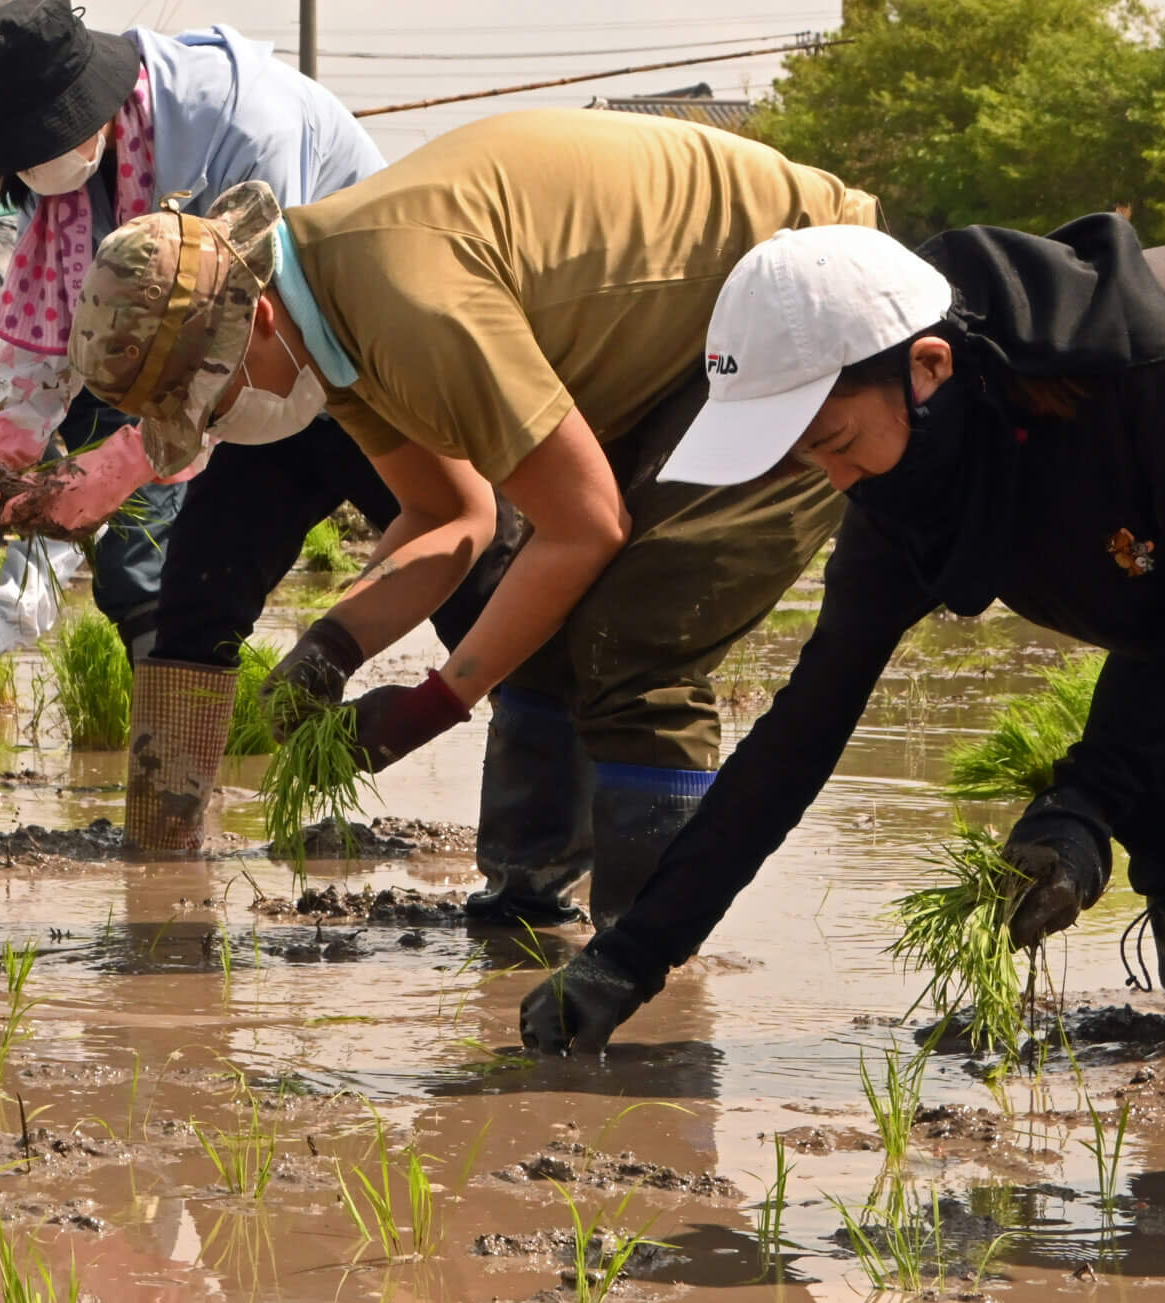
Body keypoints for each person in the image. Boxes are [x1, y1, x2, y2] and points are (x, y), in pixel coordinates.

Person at [69, 109, 876, 892]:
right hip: (684, 334)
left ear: (258, 319)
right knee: (543, 608)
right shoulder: (334, 326)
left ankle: (644, 963)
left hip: (804, 295)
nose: (224, 426)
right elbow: (455, 516)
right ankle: (529, 902)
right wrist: (332, 647)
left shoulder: (409, 308)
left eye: (214, 403)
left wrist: (432, 703)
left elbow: (586, 524)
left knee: (640, 632)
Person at [521, 216, 1165, 1051]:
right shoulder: (909, 486)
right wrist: (629, 956)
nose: (835, 479)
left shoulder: (1161, 391)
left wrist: (1085, 800)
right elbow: (803, 731)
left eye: (831, 440)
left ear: (928, 366)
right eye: (803, 458)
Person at [0, 0, 387, 662]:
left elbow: (254, 340)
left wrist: (113, 471)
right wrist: (3, 443)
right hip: (255, 409)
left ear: (92, 98)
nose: (34, 167)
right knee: (194, 615)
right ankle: (173, 769)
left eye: (42, 143)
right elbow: (51, 322)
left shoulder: (241, 129)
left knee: (474, 572)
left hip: (367, 365)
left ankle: (550, 741)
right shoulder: (62, 188)